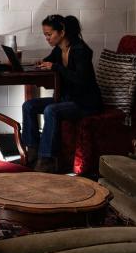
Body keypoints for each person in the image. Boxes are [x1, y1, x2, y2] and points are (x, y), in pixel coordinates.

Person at [21, 14, 102, 172]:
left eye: (49, 34)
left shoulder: (81, 50)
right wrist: (41, 63)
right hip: (65, 99)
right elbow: (49, 62)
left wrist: (56, 67)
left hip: (85, 103)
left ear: (62, 32)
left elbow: (80, 79)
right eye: (45, 35)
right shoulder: (59, 50)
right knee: (29, 105)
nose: (47, 38)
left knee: (51, 110)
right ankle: (32, 152)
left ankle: (47, 160)